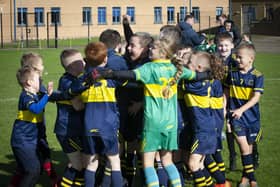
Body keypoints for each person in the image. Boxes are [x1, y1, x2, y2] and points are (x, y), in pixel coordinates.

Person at [91, 38, 212, 187]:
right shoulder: (176, 69)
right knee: (168, 162)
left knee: (148, 164)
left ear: (162, 52)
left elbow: (129, 75)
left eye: (153, 48)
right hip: (171, 124)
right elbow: (197, 76)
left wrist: (110, 74)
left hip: (153, 124)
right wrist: (209, 75)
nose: (149, 50)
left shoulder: (148, 68)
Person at [9, 53, 58, 187]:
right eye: (38, 79)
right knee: (32, 171)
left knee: (30, 168)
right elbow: (36, 109)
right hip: (23, 140)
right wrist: (47, 95)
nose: (40, 81)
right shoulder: (26, 97)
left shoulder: (33, 93)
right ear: (29, 82)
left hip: (31, 139)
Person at [80, 42, 123, 187]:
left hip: (88, 127)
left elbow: (79, 102)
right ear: (105, 60)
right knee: (115, 161)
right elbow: (128, 82)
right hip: (107, 126)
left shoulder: (83, 81)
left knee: (92, 164)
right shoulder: (110, 79)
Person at [181, 51, 224, 187]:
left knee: (193, 164)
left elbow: (178, 79)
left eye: (189, 63)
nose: (186, 65)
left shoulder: (195, 84)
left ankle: (221, 182)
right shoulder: (202, 81)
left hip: (203, 131)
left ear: (198, 68)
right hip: (207, 128)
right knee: (199, 164)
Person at [224, 43, 263, 187]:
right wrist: (225, 109)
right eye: (236, 57)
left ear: (251, 59)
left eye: (240, 57)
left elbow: (256, 98)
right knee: (243, 147)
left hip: (252, 118)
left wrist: (242, 109)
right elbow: (226, 93)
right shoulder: (232, 73)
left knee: (249, 149)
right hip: (236, 117)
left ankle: (246, 178)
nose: (237, 59)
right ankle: (253, 180)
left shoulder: (257, 76)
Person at [54, 49, 87, 187]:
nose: (84, 63)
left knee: (81, 163)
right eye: (81, 61)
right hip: (68, 131)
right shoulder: (67, 81)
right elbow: (78, 106)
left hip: (73, 129)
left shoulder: (73, 79)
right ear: (72, 66)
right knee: (78, 164)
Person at [216, 32, 238, 171]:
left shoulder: (235, 62)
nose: (223, 48)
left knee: (232, 127)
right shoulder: (215, 60)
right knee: (221, 127)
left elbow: (229, 87)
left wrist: (225, 105)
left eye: (226, 45)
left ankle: (249, 153)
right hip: (218, 97)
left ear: (232, 46)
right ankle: (229, 157)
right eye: (220, 45)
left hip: (233, 99)